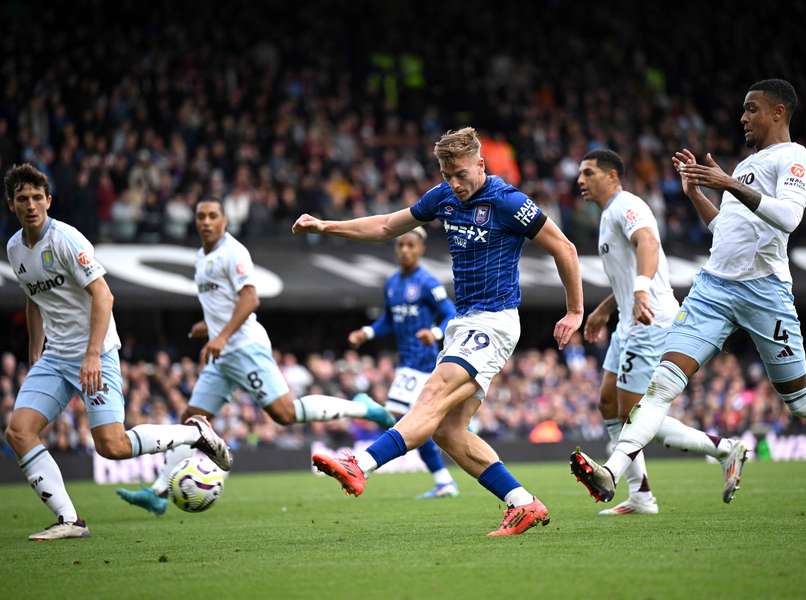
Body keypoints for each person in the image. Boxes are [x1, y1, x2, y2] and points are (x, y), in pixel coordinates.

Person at [576, 79, 806, 503]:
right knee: (660, 386)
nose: (743, 117)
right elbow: (724, 232)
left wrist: (727, 183)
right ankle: (613, 473)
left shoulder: (795, 158)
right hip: (713, 289)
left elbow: (788, 218)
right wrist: (697, 194)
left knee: (801, 400)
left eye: (751, 109)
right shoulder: (746, 166)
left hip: (765, 292)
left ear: (778, 112)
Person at [293, 127, 584, 536]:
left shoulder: (508, 201)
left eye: (461, 174)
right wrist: (326, 227)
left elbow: (564, 247)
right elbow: (384, 227)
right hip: (465, 322)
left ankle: (360, 463)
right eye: (447, 174)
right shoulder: (443, 197)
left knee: (430, 395)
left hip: (493, 320)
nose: (454, 183)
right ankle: (523, 503)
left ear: (481, 164)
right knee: (448, 431)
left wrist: (574, 310)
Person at [116, 198, 395, 515]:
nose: (206, 222)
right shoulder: (200, 257)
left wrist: (220, 335)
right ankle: (158, 494)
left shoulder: (232, 253)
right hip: (221, 354)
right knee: (193, 422)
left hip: (244, 347)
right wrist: (207, 327)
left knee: (285, 414)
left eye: (213, 216)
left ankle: (365, 407)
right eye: (201, 217)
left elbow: (250, 299)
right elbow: (223, 306)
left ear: (225, 221)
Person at [3, 164, 232, 541]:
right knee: (18, 432)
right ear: (12, 204)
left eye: (37, 198)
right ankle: (70, 520)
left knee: (112, 445)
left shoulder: (66, 240)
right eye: (23, 199)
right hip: (55, 357)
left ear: (48, 200)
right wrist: (34, 356)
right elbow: (33, 300)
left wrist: (92, 355)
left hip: (96, 353)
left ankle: (194, 434)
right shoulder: (15, 248)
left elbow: (104, 295)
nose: (31, 205)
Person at [569, 150, 748, 515]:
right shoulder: (607, 216)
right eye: (579, 174)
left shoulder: (626, 205)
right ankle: (640, 495)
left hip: (650, 318)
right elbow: (627, 270)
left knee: (635, 413)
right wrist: (606, 308)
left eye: (588, 173)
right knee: (609, 403)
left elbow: (648, 243)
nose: (580, 180)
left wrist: (638, 292)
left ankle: (723, 448)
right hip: (628, 319)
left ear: (613, 176)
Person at [347, 226, 460, 499]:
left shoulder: (428, 283)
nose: (405, 250)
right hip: (406, 361)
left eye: (411, 245)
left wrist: (433, 333)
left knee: (398, 418)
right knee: (413, 425)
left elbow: (451, 315)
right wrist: (369, 332)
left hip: (423, 362)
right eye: (401, 245)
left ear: (420, 249)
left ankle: (365, 443)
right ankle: (444, 481)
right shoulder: (392, 283)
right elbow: (389, 319)